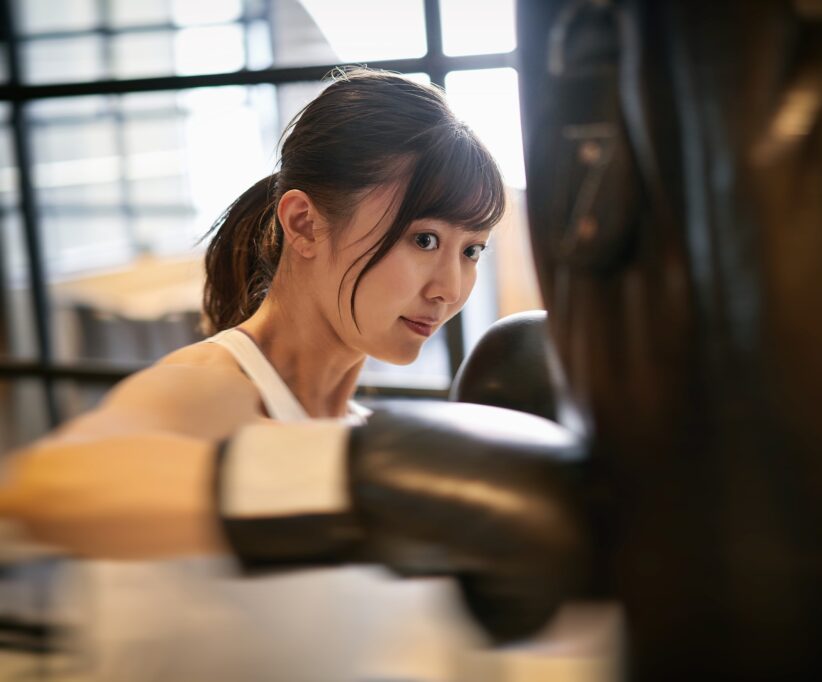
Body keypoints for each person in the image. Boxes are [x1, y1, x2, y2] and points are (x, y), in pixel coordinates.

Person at [0, 67, 588, 682]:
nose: (449, 288)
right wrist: (350, 483)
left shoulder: (363, 439)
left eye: (471, 250)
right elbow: (41, 490)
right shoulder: (216, 386)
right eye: (423, 239)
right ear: (304, 224)